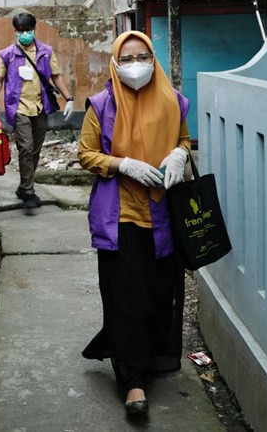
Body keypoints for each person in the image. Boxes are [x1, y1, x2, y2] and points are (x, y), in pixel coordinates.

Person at [77, 30, 192, 417]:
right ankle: (132, 382)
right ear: (114, 61)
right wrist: (122, 164)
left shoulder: (173, 100)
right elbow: (86, 154)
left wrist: (178, 155)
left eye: (142, 56)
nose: (134, 65)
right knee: (127, 299)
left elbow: (185, 139)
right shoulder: (102, 103)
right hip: (121, 217)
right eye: (125, 59)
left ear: (153, 57)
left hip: (163, 218)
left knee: (159, 296)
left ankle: (150, 360)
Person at [0, 11, 74, 213]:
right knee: (25, 148)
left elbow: (56, 76)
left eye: (28, 30)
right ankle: (28, 191)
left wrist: (69, 99)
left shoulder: (46, 51)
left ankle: (23, 185)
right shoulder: (7, 54)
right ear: (15, 31)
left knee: (35, 149)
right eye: (21, 30)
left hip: (40, 106)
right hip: (18, 107)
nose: (25, 33)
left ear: (34, 29)